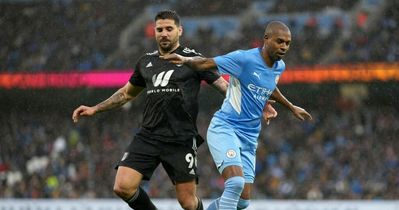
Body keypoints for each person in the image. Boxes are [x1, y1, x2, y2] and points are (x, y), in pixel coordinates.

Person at [71, 10, 277, 210]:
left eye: (169, 28)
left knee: (188, 202)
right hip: (148, 135)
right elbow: (126, 94)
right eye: (159, 29)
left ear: (180, 31)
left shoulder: (193, 60)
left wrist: (260, 104)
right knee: (122, 186)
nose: (164, 33)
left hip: (181, 139)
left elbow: (224, 86)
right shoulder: (145, 62)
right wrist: (94, 109)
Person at [161, 20, 312, 210]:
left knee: (243, 201)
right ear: (266, 39)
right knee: (235, 183)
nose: (284, 47)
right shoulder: (244, 59)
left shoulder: (279, 66)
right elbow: (207, 63)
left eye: (287, 43)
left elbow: (269, 86)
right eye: (279, 41)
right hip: (226, 128)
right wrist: (185, 60)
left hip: (250, 136)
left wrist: (289, 106)